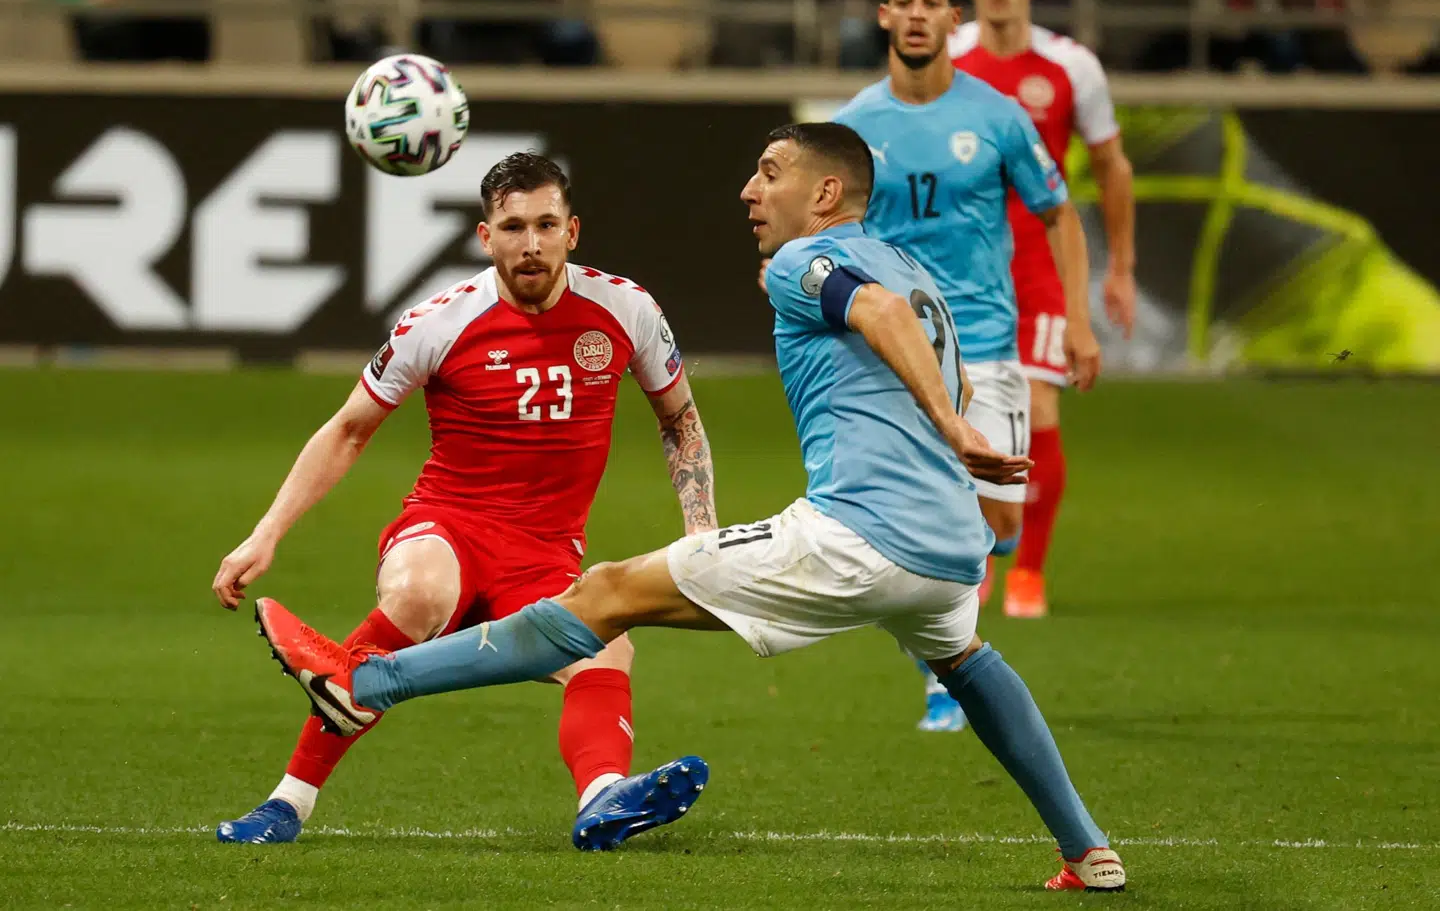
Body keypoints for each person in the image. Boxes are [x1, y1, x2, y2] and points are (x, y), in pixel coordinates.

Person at [248, 122, 1128, 891]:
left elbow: (880, 314)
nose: (749, 190)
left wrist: (950, 425)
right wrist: (952, 434)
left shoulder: (801, 261)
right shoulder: (910, 262)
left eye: (770, 173)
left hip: (857, 534)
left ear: (825, 193)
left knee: (604, 596)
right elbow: (939, 352)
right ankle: (1088, 848)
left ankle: (365, 682)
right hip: (947, 547)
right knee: (970, 664)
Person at [210, 152, 717, 850]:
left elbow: (679, 419)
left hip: (545, 552)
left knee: (607, 650)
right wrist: (266, 532)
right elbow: (349, 429)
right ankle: (287, 802)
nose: (531, 243)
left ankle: (603, 797)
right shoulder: (439, 322)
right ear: (486, 237)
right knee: (418, 594)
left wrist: (702, 533)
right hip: (447, 525)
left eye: (546, 224)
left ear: (572, 230)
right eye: (513, 227)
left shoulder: (626, 309)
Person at [827, 0, 1099, 731]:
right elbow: (824, 228)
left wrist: (1078, 320)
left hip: (984, 343)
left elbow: (1059, 214)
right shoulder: (854, 125)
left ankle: (963, 574)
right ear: (885, 15)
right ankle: (942, 672)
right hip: (896, 351)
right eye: (904, 1)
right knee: (924, 520)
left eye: (931, 3)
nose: (916, 15)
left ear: (954, 17)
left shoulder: (999, 116)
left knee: (998, 527)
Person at [950, 0, 1137, 620]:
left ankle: (1028, 570)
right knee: (962, 411)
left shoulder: (1071, 66)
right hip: (963, 265)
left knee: (1038, 408)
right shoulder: (946, 57)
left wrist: (1120, 268)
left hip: (1040, 265)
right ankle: (975, 559)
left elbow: (1112, 166)